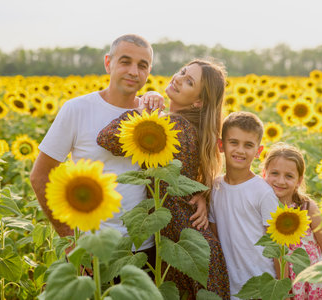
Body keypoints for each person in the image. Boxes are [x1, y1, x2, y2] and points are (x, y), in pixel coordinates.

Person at [97, 59, 230, 299]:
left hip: (182, 249)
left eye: (189, 81)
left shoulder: (174, 127)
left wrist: (142, 109)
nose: (178, 78)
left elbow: (106, 137)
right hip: (186, 242)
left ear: (198, 101)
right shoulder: (188, 126)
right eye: (182, 72)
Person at [30, 34, 166, 262]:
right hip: (92, 245)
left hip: (144, 248)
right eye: (125, 62)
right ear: (108, 63)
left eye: (142, 66)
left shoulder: (153, 117)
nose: (134, 71)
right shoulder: (77, 109)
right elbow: (40, 175)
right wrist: (72, 241)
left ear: (149, 71)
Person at [208, 111, 280, 299]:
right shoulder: (215, 188)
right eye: (234, 142)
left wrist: (281, 291)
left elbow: (278, 248)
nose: (240, 150)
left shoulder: (262, 193)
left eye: (248, 145)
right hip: (229, 287)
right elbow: (216, 238)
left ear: (258, 151)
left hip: (261, 288)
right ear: (221, 145)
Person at [261, 142, 322, 299]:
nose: (281, 181)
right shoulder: (263, 208)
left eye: (289, 176)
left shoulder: (307, 208)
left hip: (315, 285)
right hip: (284, 285)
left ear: (299, 180)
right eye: (274, 173)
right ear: (264, 174)